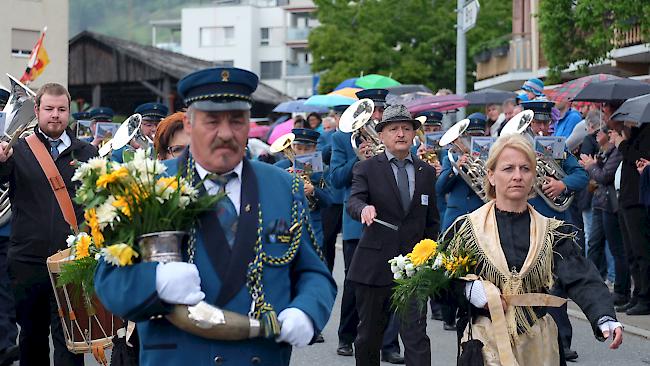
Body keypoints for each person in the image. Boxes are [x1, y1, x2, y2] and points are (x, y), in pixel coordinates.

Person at [94, 67, 336, 365]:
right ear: (188, 123)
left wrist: (307, 311)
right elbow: (109, 282)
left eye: (236, 120)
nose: (225, 133)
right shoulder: (146, 185)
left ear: (248, 124)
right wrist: (155, 282)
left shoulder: (284, 187)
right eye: (212, 121)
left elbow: (314, 272)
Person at [443, 133, 622, 365]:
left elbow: (582, 277)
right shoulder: (468, 228)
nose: (517, 176)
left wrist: (603, 315)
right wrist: (468, 290)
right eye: (508, 169)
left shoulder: (551, 232)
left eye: (525, 169)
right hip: (484, 343)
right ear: (491, 175)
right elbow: (441, 283)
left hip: (539, 343)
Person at [0, 83, 98, 365]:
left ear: (69, 112)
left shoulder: (87, 152)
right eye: (49, 109)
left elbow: (97, 203)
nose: (55, 115)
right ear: (37, 111)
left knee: (72, 342)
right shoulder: (16, 148)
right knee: (31, 338)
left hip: (72, 260)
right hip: (27, 260)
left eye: (61, 109)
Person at [347, 104, 439, 366]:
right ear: (383, 135)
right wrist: (364, 209)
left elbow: (432, 221)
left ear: (413, 135)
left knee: (416, 337)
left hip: (414, 268)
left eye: (406, 128)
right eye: (394, 129)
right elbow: (354, 200)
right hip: (374, 267)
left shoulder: (426, 172)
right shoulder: (366, 169)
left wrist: (431, 259)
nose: (401, 134)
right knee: (368, 337)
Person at [329, 88, 403, 363]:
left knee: (395, 283)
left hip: (391, 221)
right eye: (372, 111)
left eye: (380, 111)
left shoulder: (394, 139)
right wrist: (357, 159)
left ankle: (389, 344)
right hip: (357, 224)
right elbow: (336, 179)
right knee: (355, 283)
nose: (377, 116)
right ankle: (346, 336)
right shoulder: (340, 138)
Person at [517, 100, 589, 361]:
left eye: (547, 122)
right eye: (538, 123)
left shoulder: (557, 147)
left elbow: (581, 175)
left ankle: (562, 341)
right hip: (525, 221)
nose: (543, 127)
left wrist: (562, 184)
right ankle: (530, 338)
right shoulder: (517, 148)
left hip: (556, 224)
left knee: (558, 284)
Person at [580, 126, 630, 307]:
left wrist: (591, 166)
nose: (608, 135)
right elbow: (601, 169)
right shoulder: (609, 150)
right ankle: (590, 285)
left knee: (617, 250)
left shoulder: (619, 152)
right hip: (600, 202)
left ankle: (620, 290)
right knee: (594, 244)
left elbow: (605, 175)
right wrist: (596, 161)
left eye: (611, 133)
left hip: (609, 205)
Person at [611, 120, 650, 316]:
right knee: (631, 253)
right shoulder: (633, 134)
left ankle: (646, 296)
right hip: (626, 198)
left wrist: (622, 144)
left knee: (642, 252)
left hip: (638, 200)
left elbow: (639, 160)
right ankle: (637, 295)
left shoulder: (646, 133)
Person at [274, 128, 332, 250]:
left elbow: (329, 200)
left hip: (312, 226)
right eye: (298, 148)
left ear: (315, 148)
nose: (302, 153)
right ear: (292, 146)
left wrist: (313, 191)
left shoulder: (322, 169)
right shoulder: (279, 168)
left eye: (307, 149)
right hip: (285, 223)